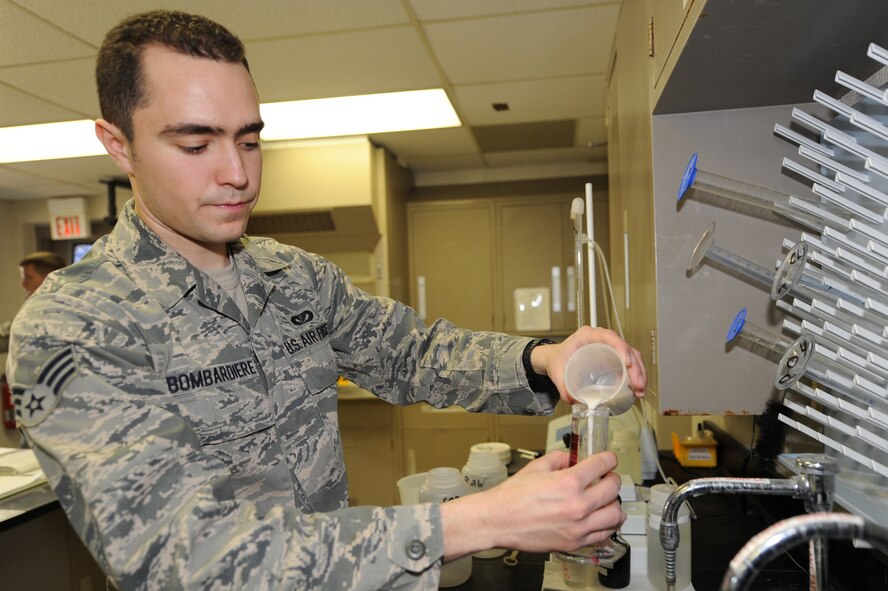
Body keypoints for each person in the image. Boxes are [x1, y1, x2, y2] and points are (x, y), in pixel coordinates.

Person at [6, 10, 647, 590]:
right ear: (118, 144)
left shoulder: (293, 277)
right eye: (196, 144)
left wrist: (546, 358)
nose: (238, 173)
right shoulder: (74, 327)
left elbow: (412, 353)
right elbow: (184, 556)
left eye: (250, 139)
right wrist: (480, 521)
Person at [0, 251, 66, 354]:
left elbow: (8, 336)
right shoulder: (40, 308)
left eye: (28, 277)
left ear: (49, 278)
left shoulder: (49, 312)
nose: (23, 284)